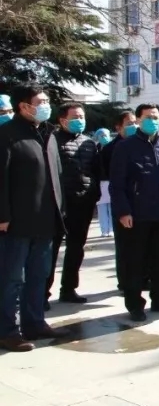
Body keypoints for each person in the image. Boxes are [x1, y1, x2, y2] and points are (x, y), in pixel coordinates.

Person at [0, 86, 67, 351]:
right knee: (11, 278)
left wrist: (60, 210)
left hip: (46, 219)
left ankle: (35, 323)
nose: (45, 105)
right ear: (23, 106)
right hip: (16, 222)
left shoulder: (49, 133)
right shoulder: (7, 135)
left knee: (39, 276)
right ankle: (7, 331)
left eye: (47, 101)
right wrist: (3, 215)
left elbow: (56, 175)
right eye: (40, 102)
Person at [109, 103, 159, 322]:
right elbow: (117, 184)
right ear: (138, 120)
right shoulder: (125, 147)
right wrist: (123, 211)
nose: (152, 120)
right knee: (135, 262)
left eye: (155, 116)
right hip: (137, 215)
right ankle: (135, 305)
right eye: (147, 117)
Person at [47, 102, 99, 306]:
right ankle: (42, 293)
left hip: (83, 203)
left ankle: (69, 289)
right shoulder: (52, 141)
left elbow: (95, 170)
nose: (80, 120)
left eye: (82, 117)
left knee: (76, 248)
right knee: (51, 250)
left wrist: (93, 193)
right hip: (59, 205)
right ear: (62, 120)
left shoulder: (89, 143)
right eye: (75, 117)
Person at [98, 111, 136, 288]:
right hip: (121, 202)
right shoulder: (110, 149)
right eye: (129, 123)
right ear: (118, 127)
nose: (134, 126)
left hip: (142, 202)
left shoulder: (141, 144)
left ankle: (142, 278)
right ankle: (124, 282)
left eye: (135, 122)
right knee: (124, 246)